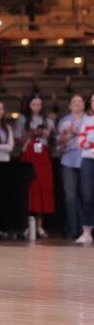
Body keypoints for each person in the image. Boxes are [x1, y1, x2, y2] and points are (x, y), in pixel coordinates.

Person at [15, 94, 55, 238]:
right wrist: (31, 133)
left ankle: (39, 225)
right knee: (28, 189)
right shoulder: (22, 119)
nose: (37, 107)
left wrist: (47, 134)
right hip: (28, 156)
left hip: (43, 158)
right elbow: (17, 141)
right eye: (34, 104)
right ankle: (26, 224)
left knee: (42, 189)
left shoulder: (48, 120)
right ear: (28, 105)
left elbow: (54, 142)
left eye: (39, 104)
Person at [58, 94, 89, 240]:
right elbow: (59, 142)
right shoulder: (64, 121)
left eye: (79, 101)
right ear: (69, 105)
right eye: (74, 101)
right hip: (68, 161)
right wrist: (70, 133)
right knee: (70, 196)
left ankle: (85, 230)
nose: (77, 103)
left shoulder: (90, 120)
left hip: (86, 160)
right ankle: (71, 229)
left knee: (85, 195)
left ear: (84, 104)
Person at [74, 94, 94, 244]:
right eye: (93, 100)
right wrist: (90, 142)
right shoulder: (87, 120)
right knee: (87, 196)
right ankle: (86, 232)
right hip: (88, 160)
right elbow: (81, 142)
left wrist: (90, 141)